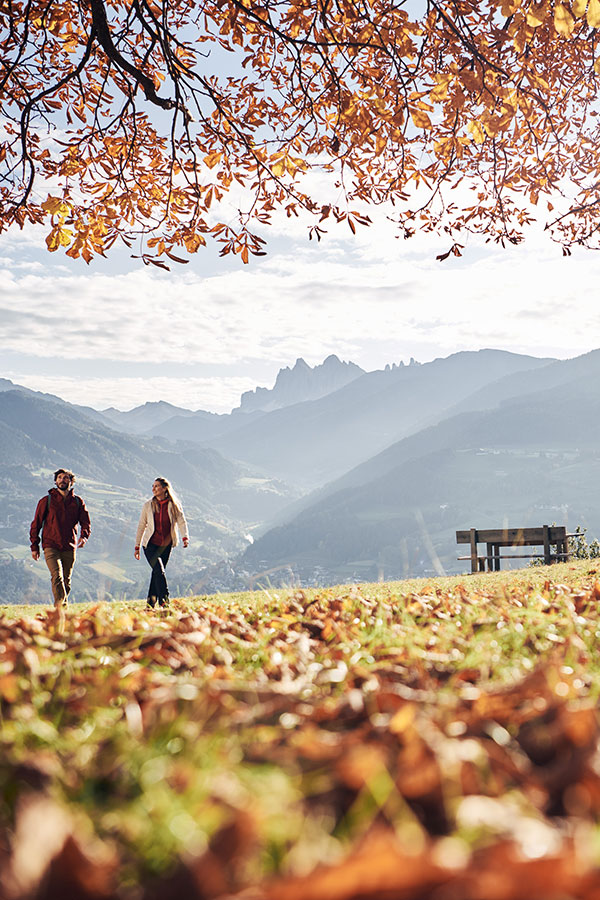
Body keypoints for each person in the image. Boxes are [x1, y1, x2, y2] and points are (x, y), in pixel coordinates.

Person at [29, 468, 91, 608]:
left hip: (69, 546)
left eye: (66, 477)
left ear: (71, 481)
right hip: (51, 545)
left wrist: (84, 536)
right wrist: (34, 546)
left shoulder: (77, 502)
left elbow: (86, 522)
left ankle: (62, 610)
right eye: (60, 477)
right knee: (57, 576)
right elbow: (36, 524)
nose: (62, 480)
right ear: (55, 481)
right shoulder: (46, 501)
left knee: (66, 581)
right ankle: (60, 610)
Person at [134, 477, 189, 608]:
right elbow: (142, 525)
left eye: (156, 486)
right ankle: (164, 602)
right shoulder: (148, 505)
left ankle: (150, 604)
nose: (153, 488)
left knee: (156, 573)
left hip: (166, 545)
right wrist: (137, 546)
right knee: (159, 571)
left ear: (165, 488)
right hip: (150, 545)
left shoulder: (174, 505)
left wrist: (185, 537)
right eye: (153, 486)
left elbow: (182, 521)